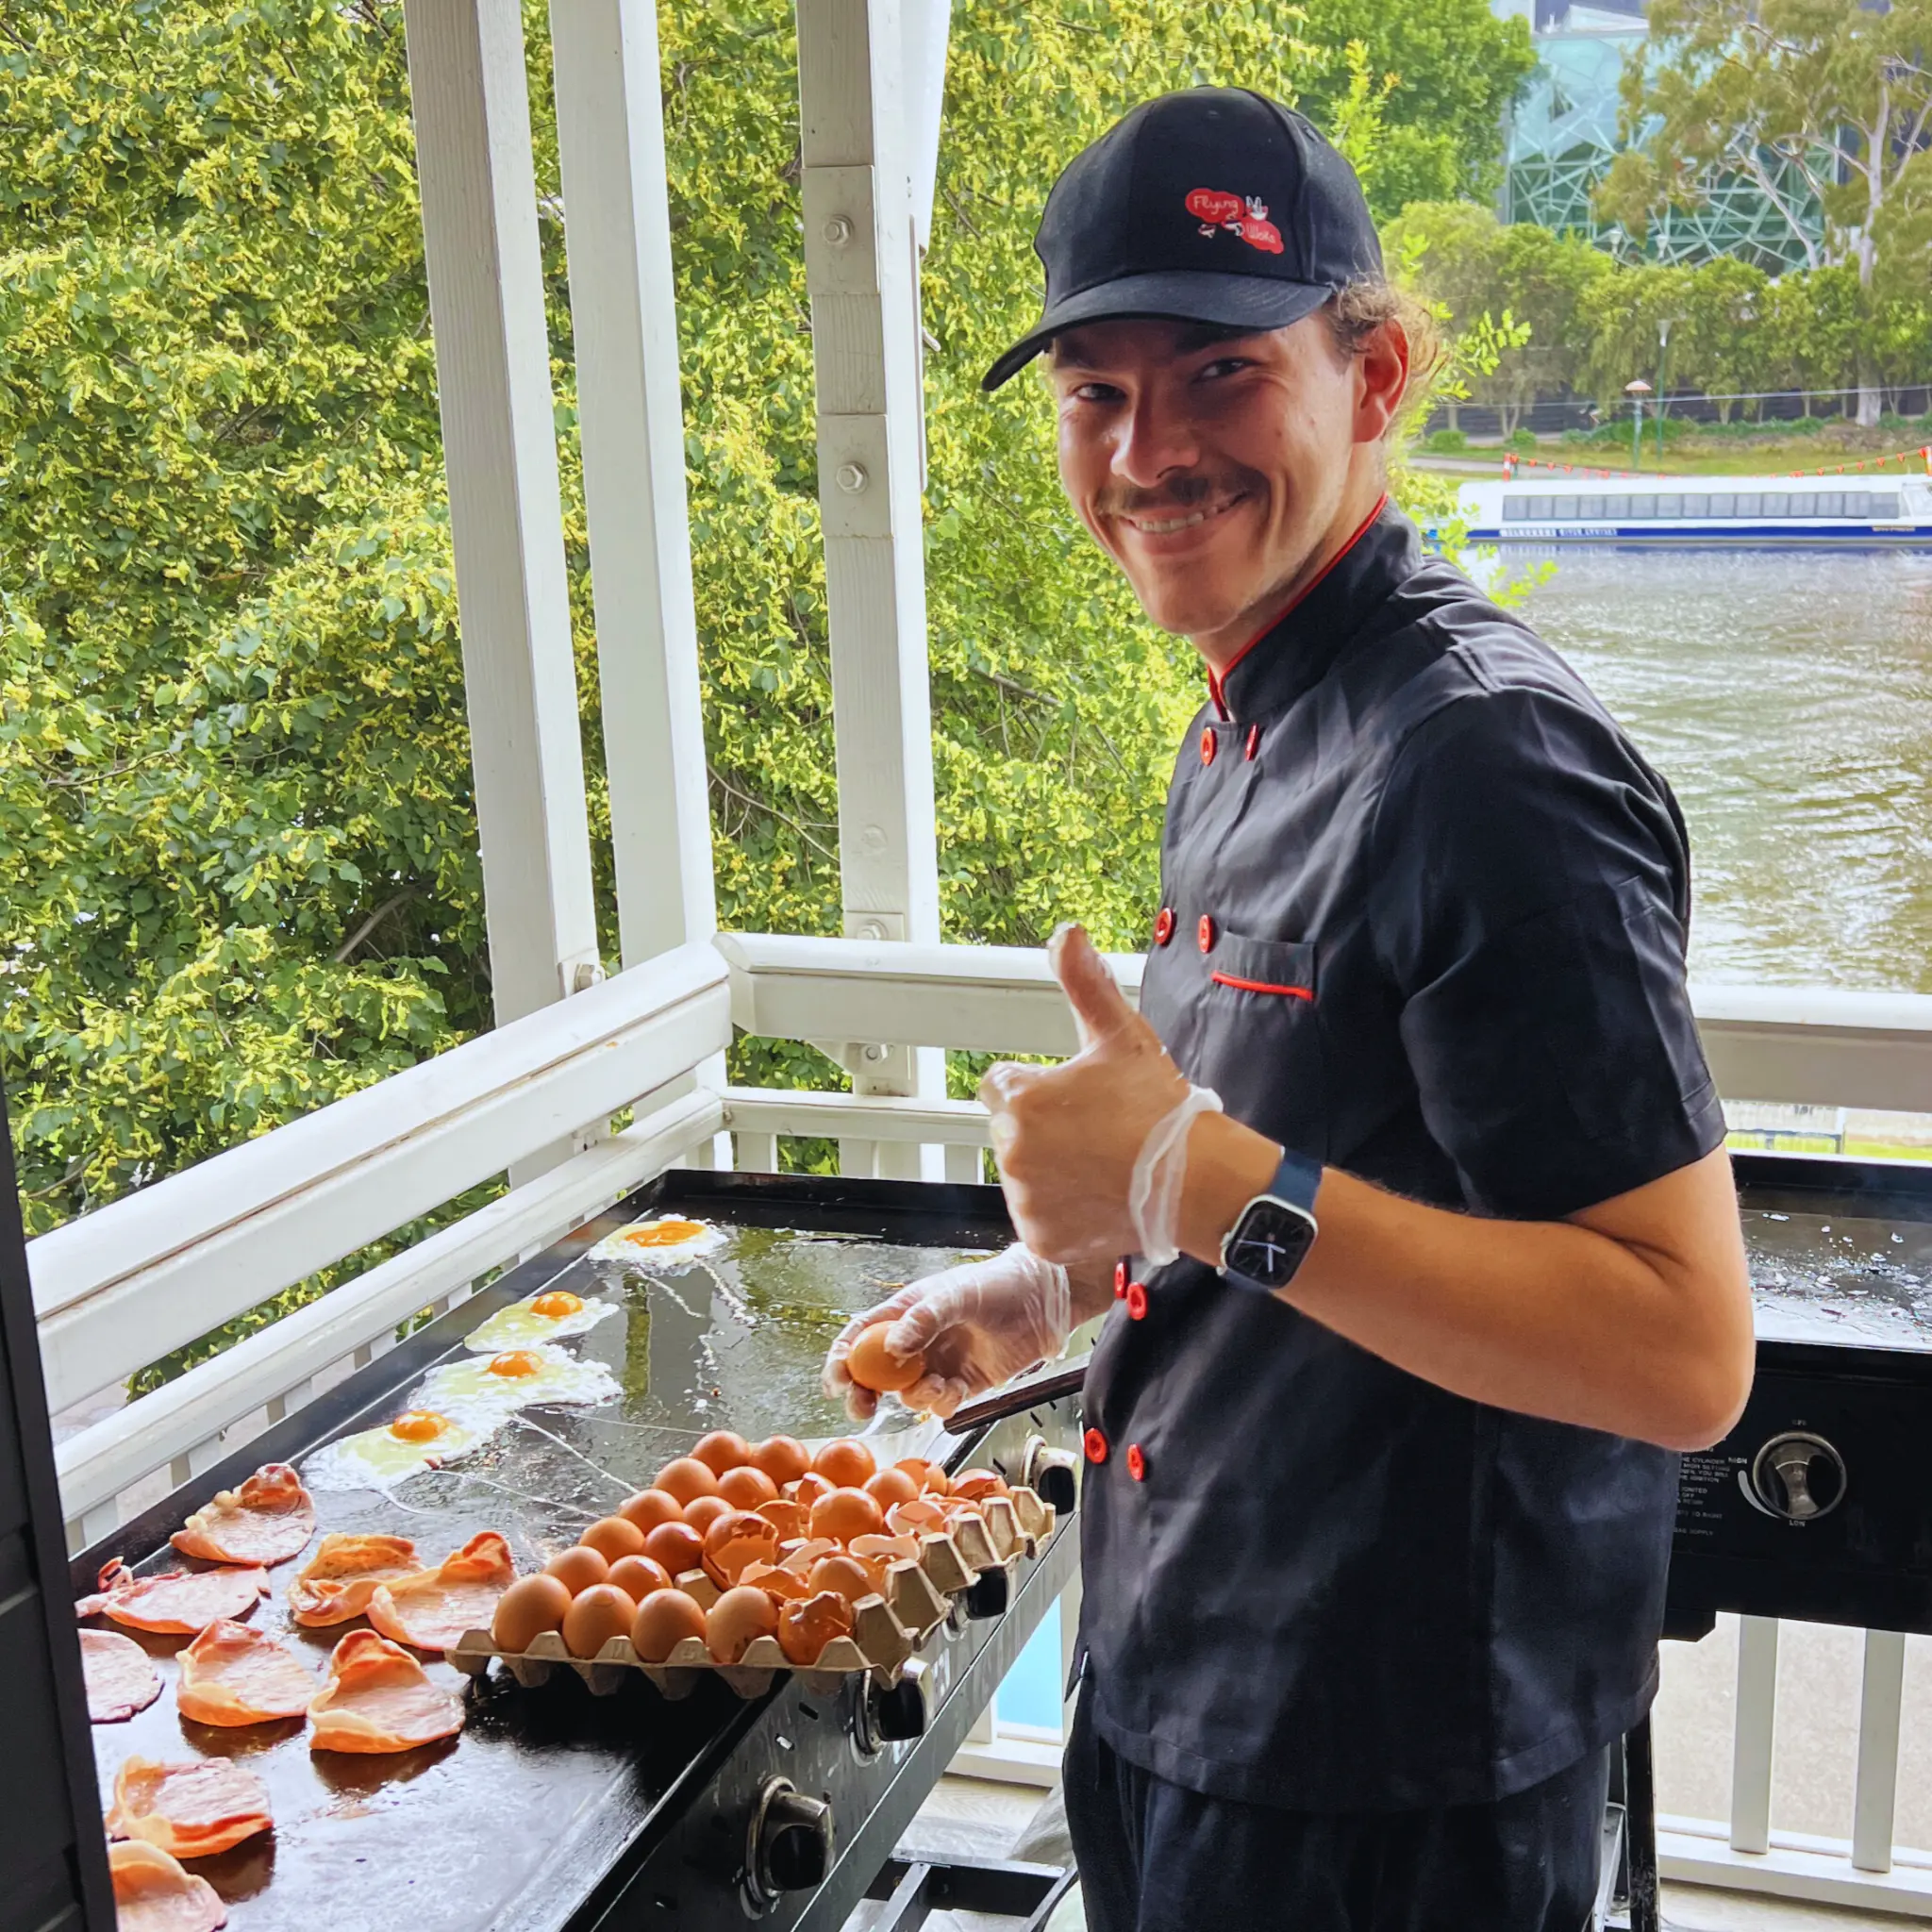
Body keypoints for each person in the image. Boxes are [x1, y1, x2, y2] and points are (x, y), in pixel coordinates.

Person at [824, 88, 1754, 1932]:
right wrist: (1062, 1284)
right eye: (1094, 389)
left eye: (1219, 373)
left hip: (1386, 1773)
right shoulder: (1241, 701)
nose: (1145, 448)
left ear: (1376, 369)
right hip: (1186, 1673)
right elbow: (1317, 1164)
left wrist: (1187, 1174)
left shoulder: (1488, 767)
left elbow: (1678, 1354)